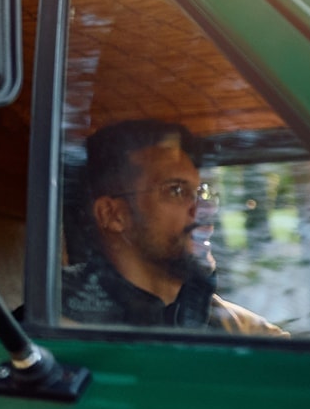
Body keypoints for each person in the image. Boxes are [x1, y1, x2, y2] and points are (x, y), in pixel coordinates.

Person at [62, 118, 284, 335]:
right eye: (176, 190)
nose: (203, 209)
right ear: (113, 215)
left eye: (201, 193)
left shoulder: (250, 334)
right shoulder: (52, 336)